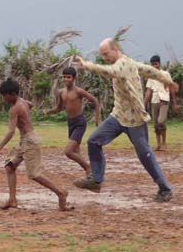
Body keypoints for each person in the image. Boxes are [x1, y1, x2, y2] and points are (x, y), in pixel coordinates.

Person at [74, 38, 179, 202]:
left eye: (106, 54)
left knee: (145, 155)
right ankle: (96, 180)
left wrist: (87, 65)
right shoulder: (129, 63)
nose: (104, 58)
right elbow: (148, 70)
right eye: (102, 55)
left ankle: (165, 189)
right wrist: (167, 81)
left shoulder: (122, 64)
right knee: (93, 141)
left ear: (115, 49)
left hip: (135, 119)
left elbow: (110, 71)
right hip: (118, 116)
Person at [0, 78, 72, 211]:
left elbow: (10, 132)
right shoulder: (23, 102)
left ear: (12, 94)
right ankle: (12, 200)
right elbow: (31, 104)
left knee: (34, 174)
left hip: (30, 141)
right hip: (25, 139)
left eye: (5, 95)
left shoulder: (14, 109)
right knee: (10, 166)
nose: (4, 98)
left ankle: (60, 192)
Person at [44, 66, 101, 177]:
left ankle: (89, 168)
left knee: (69, 152)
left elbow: (95, 100)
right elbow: (59, 108)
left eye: (68, 77)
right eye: (64, 77)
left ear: (74, 78)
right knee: (76, 152)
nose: (66, 79)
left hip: (80, 123)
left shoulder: (79, 91)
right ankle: (90, 173)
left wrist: (97, 118)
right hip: (70, 123)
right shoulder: (61, 92)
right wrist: (49, 112)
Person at [144, 55, 178, 151]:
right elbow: (148, 91)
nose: (154, 66)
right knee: (156, 124)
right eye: (152, 64)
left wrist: (174, 103)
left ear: (159, 63)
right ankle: (159, 144)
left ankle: (164, 142)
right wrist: (144, 103)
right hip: (154, 100)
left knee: (161, 121)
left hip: (164, 100)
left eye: (156, 64)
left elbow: (171, 89)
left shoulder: (165, 74)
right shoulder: (150, 76)